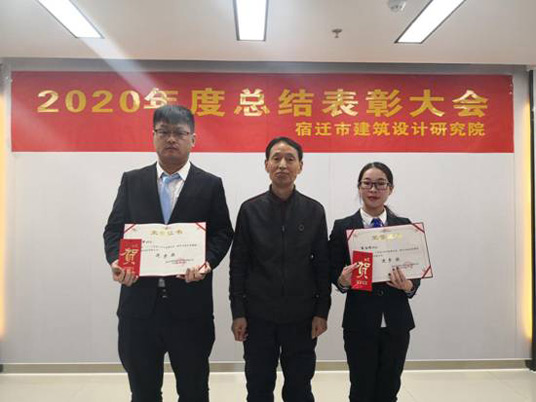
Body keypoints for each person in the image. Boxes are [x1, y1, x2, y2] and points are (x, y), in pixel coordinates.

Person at [103, 105, 234, 402]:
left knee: (194, 391)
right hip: (139, 307)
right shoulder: (132, 180)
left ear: (193, 139)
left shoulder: (210, 184)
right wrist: (117, 260)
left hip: (190, 307)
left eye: (179, 133)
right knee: (143, 392)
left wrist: (207, 263)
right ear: (153, 136)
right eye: (164, 132)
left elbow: (223, 232)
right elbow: (114, 230)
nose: (171, 139)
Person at [229, 136, 331, 402]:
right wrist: (238, 312)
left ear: (300, 166)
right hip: (258, 316)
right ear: (266, 165)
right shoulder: (250, 210)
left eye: (290, 159)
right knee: (258, 387)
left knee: (299, 388)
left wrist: (322, 311)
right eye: (276, 158)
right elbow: (238, 265)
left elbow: (322, 265)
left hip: (302, 316)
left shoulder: (314, 211)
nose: (283, 164)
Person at [329, 162, 420, 402]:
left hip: (396, 323)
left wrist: (408, 286)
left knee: (389, 389)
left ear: (390, 188)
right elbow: (332, 270)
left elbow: (415, 272)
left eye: (380, 184)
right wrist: (342, 280)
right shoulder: (343, 227)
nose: (373, 189)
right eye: (367, 183)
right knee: (361, 389)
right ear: (359, 187)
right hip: (359, 323)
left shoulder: (405, 225)